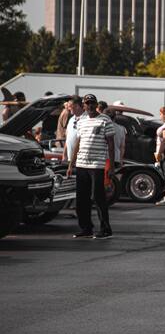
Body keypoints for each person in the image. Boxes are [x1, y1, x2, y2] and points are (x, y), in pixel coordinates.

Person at [66, 94, 115, 239]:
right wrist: (71, 164)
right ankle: (86, 228)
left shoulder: (105, 120)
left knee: (98, 197)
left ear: (96, 104)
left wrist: (111, 166)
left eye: (92, 103)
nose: (90, 106)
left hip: (97, 165)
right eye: (87, 103)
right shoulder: (81, 121)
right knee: (82, 198)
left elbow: (111, 145)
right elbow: (78, 144)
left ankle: (105, 229)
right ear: (84, 106)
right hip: (81, 164)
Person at [100, 102, 126, 168]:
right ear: (115, 117)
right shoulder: (122, 129)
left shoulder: (102, 127)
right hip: (116, 159)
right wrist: (121, 160)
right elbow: (122, 147)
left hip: (103, 158)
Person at [62, 96, 85, 164]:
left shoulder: (87, 119)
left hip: (81, 160)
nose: (68, 108)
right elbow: (68, 139)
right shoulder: (71, 120)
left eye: (70, 106)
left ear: (77, 106)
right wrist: (64, 155)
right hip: (70, 159)